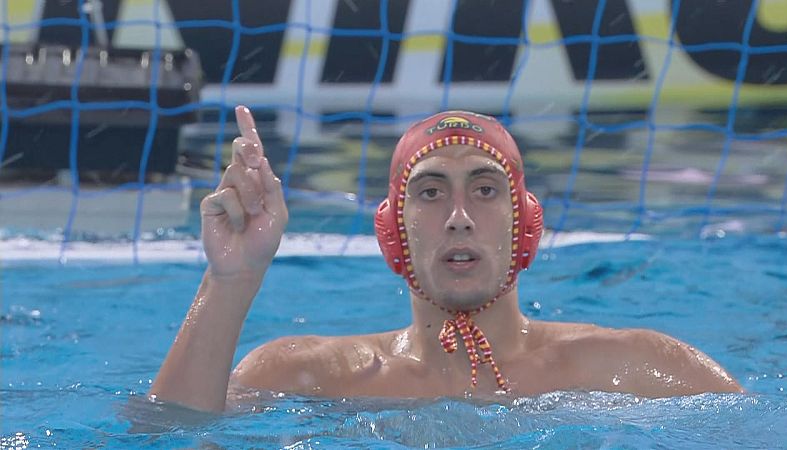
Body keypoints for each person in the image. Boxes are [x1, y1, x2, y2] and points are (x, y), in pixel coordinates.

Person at [149, 106, 743, 413]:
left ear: (525, 223)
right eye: (430, 192)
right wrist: (233, 277)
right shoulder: (307, 374)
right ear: (393, 231)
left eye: (485, 189)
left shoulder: (642, 369)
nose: (459, 216)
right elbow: (171, 433)